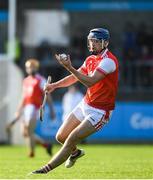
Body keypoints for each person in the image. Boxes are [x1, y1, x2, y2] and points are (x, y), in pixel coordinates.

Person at [32, 28, 119, 174]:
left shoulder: (109, 61)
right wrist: (55, 85)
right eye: (91, 41)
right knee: (61, 136)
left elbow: (90, 82)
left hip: (100, 111)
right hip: (86, 103)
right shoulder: (90, 59)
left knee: (71, 138)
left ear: (105, 43)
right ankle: (75, 153)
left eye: (96, 42)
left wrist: (69, 67)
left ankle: (44, 170)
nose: (92, 44)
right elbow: (75, 77)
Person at [6, 59, 55, 157]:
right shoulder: (25, 81)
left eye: (32, 67)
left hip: (35, 108)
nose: (30, 69)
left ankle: (31, 153)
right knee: (25, 133)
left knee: (29, 131)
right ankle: (46, 145)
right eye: (28, 67)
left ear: (36, 68)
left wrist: (51, 109)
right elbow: (23, 97)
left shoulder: (40, 80)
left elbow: (47, 95)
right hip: (26, 108)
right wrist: (19, 110)